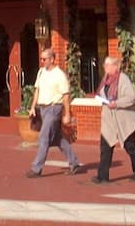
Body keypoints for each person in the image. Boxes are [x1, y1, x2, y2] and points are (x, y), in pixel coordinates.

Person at [27, 48, 81, 178]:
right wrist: (33, 107)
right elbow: (37, 91)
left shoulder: (59, 75)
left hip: (54, 108)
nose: (42, 61)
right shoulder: (41, 72)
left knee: (43, 138)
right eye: (41, 59)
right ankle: (74, 162)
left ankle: (36, 168)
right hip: (42, 108)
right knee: (58, 138)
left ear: (52, 59)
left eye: (44, 59)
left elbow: (66, 96)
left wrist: (67, 114)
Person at [93, 57, 135, 184]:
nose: (105, 68)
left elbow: (131, 97)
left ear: (115, 67)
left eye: (107, 66)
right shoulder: (105, 80)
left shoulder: (123, 79)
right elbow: (102, 94)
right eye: (104, 65)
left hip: (124, 120)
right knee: (105, 147)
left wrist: (116, 103)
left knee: (130, 146)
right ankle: (102, 176)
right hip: (109, 120)